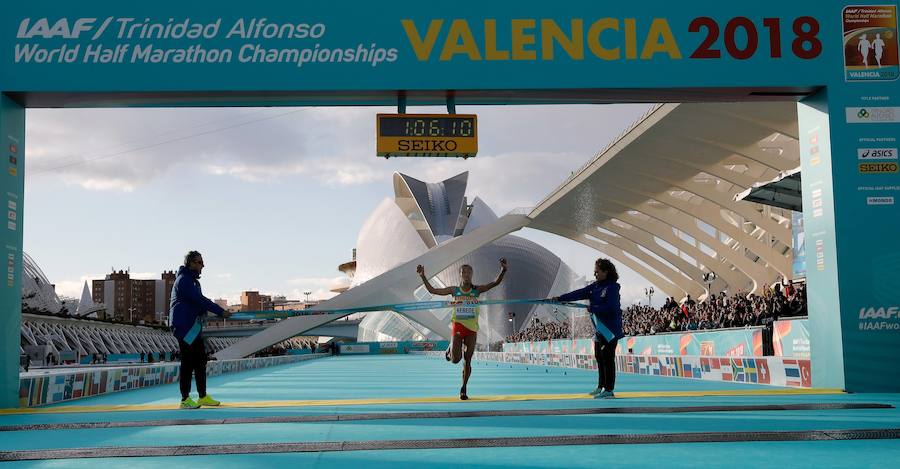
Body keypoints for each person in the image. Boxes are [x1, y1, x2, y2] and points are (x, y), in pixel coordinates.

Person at [416, 259, 508, 400]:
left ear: (472, 274)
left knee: (468, 360)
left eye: (468, 272)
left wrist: (503, 270)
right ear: (460, 274)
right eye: (463, 271)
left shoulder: (477, 290)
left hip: (472, 329)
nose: (466, 274)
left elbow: (495, 283)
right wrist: (423, 276)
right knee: (455, 360)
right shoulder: (454, 290)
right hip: (458, 325)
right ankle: (449, 351)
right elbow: (433, 290)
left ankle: (464, 388)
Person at [553, 258, 622, 399]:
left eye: (597, 272)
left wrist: (594, 308)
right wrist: (560, 298)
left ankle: (609, 389)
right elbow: (578, 293)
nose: (595, 274)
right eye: (594, 272)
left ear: (605, 272)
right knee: (599, 357)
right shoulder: (595, 287)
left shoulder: (612, 287)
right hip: (599, 329)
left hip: (609, 330)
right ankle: (601, 386)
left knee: (608, 359)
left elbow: (612, 307)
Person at [170, 250, 230, 409]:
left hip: (193, 328)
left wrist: (205, 313)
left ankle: (202, 396)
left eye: (202, 262)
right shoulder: (184, 280)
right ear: (190, 263)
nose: (202, 265)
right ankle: (185, 399)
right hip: (184, 327)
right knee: (188, 362)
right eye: (199, 262)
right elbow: (199, 300)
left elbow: (197, 304)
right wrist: (220, 311)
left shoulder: (194, 282)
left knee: (200, 361)